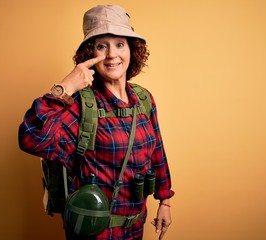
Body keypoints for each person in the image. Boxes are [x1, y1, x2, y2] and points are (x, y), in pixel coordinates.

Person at [18, 5, 174, 240]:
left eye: (120, 44)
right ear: (90, 54)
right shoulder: (81, 105)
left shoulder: (143, 99)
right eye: (102, 46)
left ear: (132, 50)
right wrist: (67, 86)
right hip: (94, 232)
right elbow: (31, 138)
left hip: (135, 228)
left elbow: (158, 152)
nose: (112, 55)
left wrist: (165, 200)